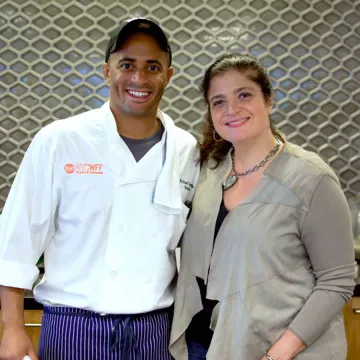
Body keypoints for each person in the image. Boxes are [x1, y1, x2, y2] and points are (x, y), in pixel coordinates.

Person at [0, 18, 199, 360]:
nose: (139, 78)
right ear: (107, 72)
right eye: (127, 65)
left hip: (155, 332)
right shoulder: (60, 140)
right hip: (73, 327)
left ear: (168, 75)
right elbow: (16, 238)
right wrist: (13, 328)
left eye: (152, 66)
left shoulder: (187, 150)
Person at [169, 53, 356, 360]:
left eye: (244, 94)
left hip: (280, 350)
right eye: (219, 101)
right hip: (205, 345)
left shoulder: (310, 177)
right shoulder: (206, 171)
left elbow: (337, 281)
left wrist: (278, 354)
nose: (232, 109)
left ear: (268, 100)